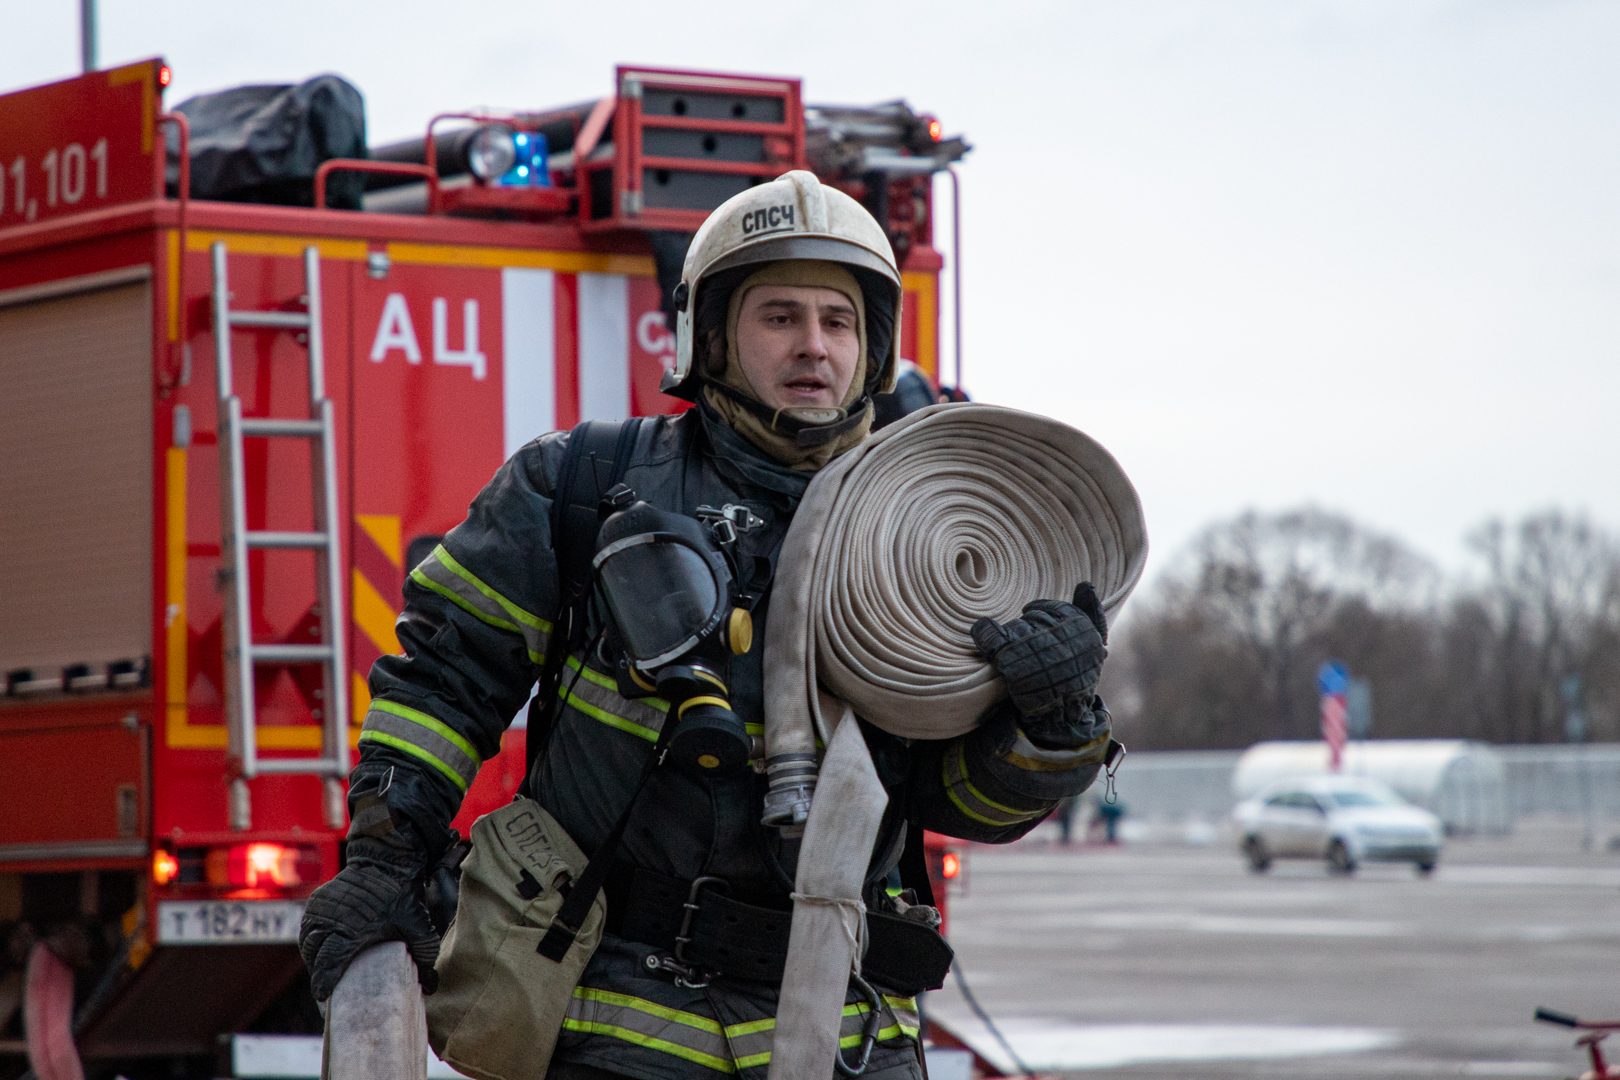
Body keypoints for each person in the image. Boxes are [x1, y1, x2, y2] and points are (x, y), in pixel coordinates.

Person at [298, 170, 1114, 1080]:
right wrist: (383, 856)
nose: (814, 346)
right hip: (617, 1020)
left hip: (847, 1032)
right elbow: (442, 682)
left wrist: (1051, 723)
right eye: (780, 317)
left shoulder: (927, 543)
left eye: (837, 322)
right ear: (713, 336)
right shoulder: (580, 483)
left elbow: (958, 803)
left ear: (871, 347)